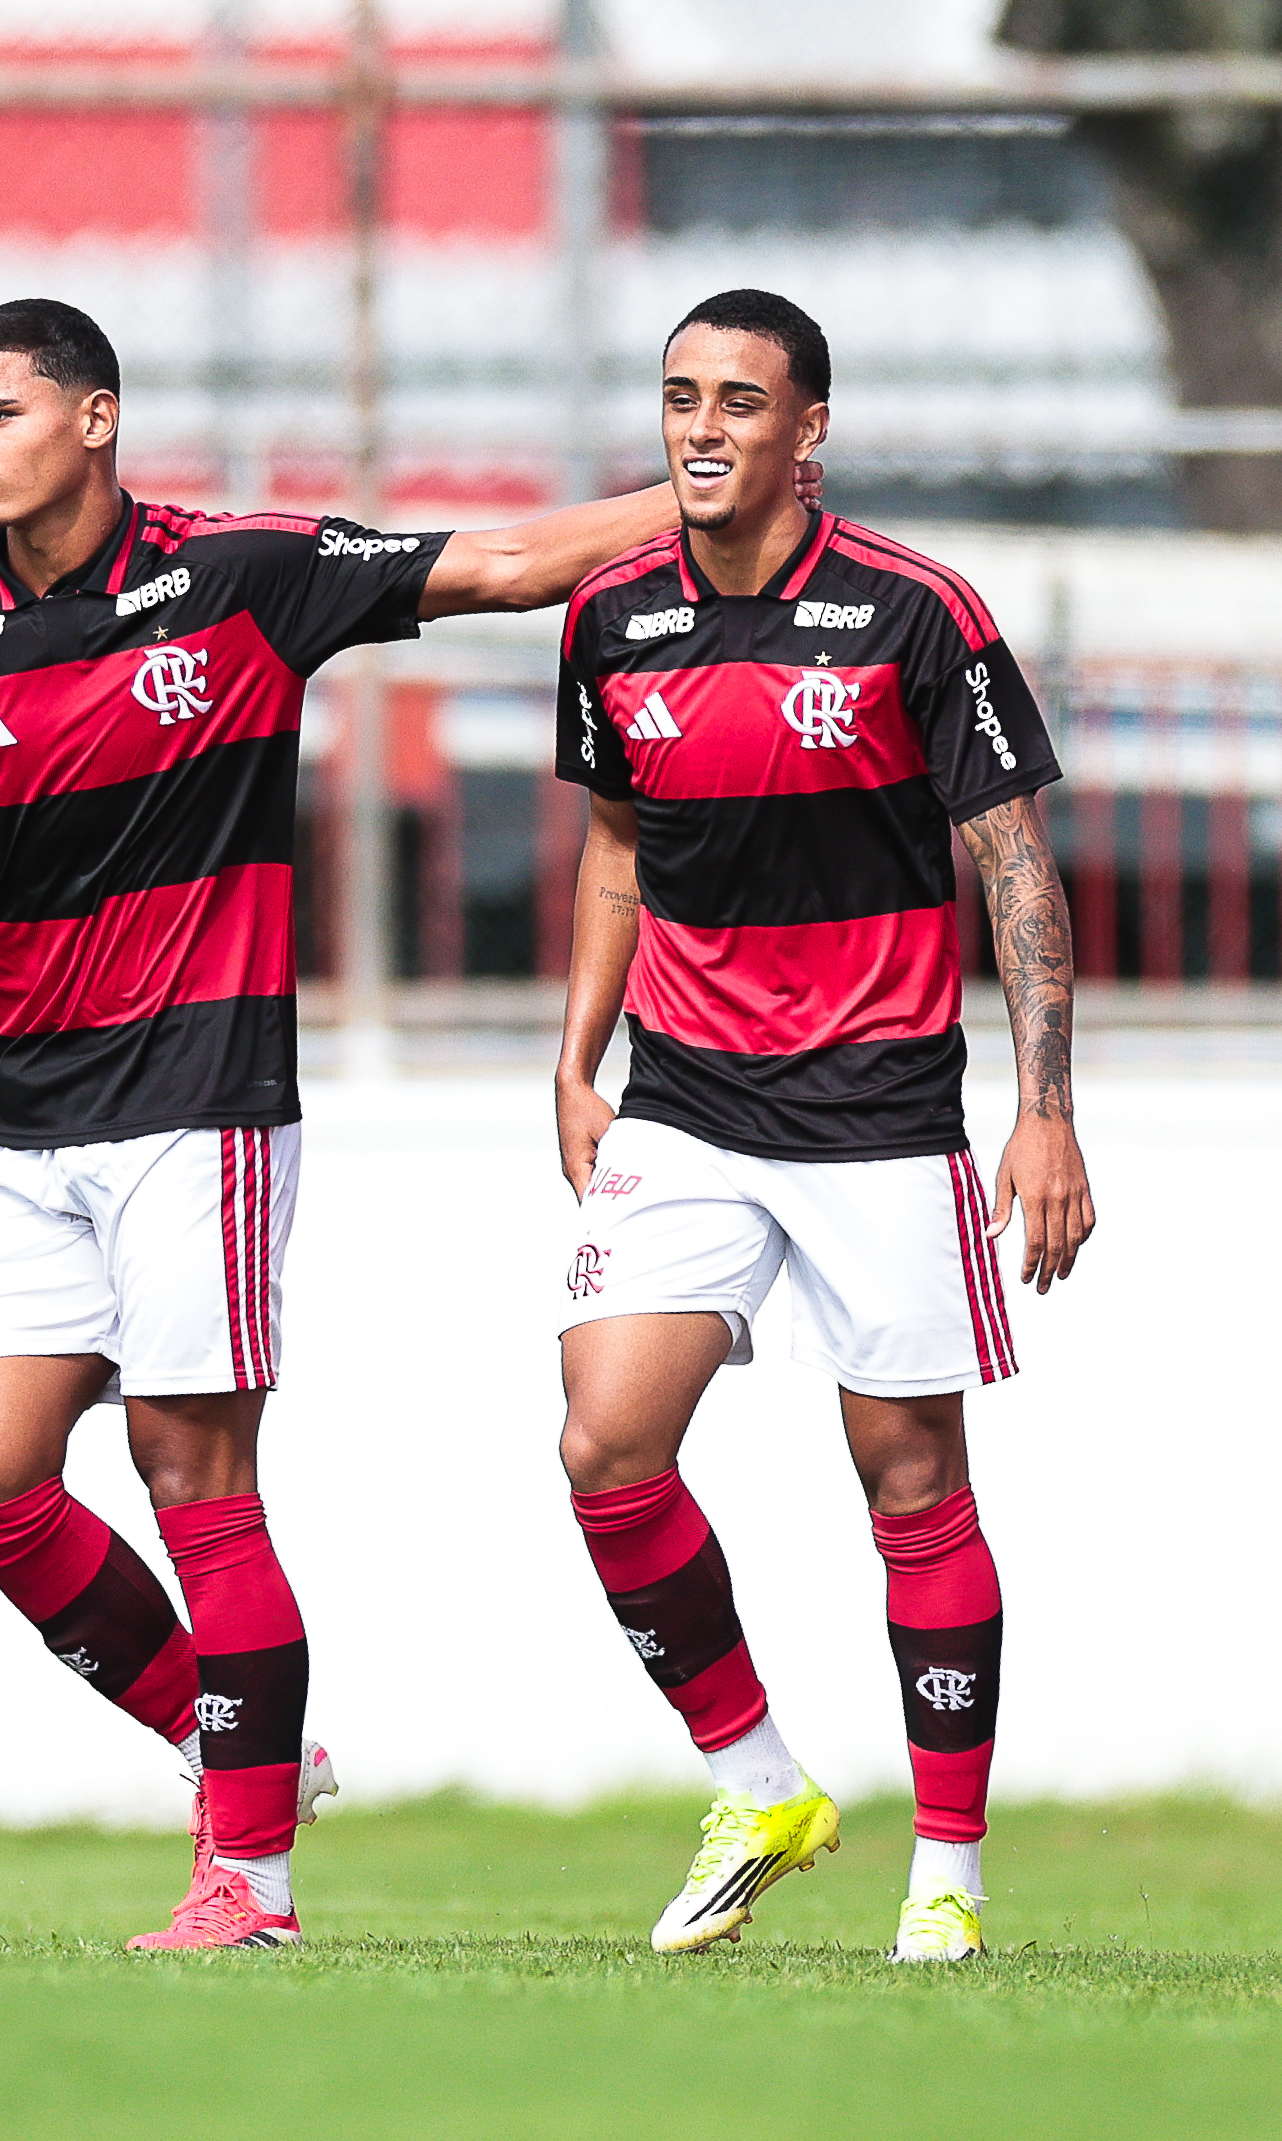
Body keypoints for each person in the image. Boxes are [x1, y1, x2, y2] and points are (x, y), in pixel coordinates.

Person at [0, 298, 808, 1949]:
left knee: (193, 1471)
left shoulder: (243, 575)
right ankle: (242, 1737)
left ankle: (246, 1880)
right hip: (26, 1119)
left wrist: (700, 493)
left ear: (96, 419)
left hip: (203, 1106)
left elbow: (508, 563)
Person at [549, 288, 1093, 1963]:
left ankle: (948, 1866)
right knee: (604, 1443)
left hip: (875, 1110)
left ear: (809, 431)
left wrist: (1045, 1110)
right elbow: (620, 851)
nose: (701, 428)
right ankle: (759, 1779)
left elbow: (1011, 860)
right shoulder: (611, 617)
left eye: (738, 401)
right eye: (678, 398)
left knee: (910, 1476)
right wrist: (576, 1054)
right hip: (688, 1102)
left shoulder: (915, 612)